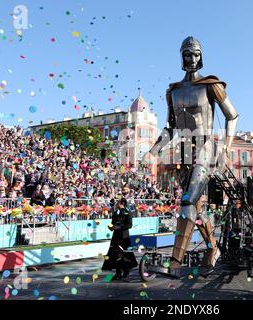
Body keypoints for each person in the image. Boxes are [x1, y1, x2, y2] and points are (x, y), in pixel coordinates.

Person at [146, 36, 239, 277]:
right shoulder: (173, 92)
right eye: (187, 54)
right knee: (195, 209)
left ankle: (175, 263)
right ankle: (214, 248)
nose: (191, 58)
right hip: (185, 151)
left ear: (201, 56)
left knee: (187, 201)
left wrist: (226, 149)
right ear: (181, 57)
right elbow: (171, 128)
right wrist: (154, 150)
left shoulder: (211, 85)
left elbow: (232, 116)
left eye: (196, 54)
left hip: (206, 149)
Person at [102, 198, 137, 281]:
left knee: (123, 255)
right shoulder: (116, 213)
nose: (117, 204)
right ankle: (118, 273)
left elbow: (129, 225)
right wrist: (111, 227)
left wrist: (119, 227)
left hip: (124, 237)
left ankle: (126, 270)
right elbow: (113, 223)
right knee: (114, 255)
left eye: (119, 203)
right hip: (116, 236)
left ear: (123, 203)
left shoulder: (127, 212)